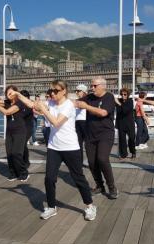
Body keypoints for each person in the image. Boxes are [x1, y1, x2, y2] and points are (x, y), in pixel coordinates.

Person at [11, 80, 97, 221]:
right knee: (49, 178)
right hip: (54, 147)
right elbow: (32, 105)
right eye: (50, 90)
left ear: (64, 91)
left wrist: (44, 109)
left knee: (78, 178)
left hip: (70, 147)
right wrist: (17, 94)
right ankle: (51, 207)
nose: (52, 93)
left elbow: (56, 122)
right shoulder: (50, 103)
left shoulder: (68, 105)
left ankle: (90, 206)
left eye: (55, 91)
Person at [75, 77, 119, 199]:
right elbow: (76, 102)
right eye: (92, 86)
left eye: (95, 86)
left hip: (105, 134)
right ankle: (99, 185)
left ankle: (112, 187)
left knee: (102, 159)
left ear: (103, 86)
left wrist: (87, 107)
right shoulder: (89, 97)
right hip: (90, 135)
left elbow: (103, 113)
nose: (92, 88)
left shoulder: (109, 97)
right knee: (91, 162)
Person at [0, 85, 30, 182]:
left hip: (20, 131)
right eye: (7, 93)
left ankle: (23, 173)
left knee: (16, 153)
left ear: (16, 93)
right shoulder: (7, 102)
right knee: (9, 153)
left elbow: (7, 112)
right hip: (9, 132)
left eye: (11, 93)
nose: (9, 95)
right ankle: (13, 173)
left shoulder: (20, 103)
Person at [115, 88, 136, 159]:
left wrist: (119, 103)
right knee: (122, 140)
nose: (123, 96)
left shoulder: (130, 101)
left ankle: (133, 152)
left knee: (132, 139)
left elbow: (125, 111)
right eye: (122, 94)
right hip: (121, 123)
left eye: (125, 94)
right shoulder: (119, 101)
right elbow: (118, 112)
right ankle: (124, 154)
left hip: (129, 124)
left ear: (128, 95)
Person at [20, 90, 34, 169]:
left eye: (23, 97)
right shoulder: (19, 105)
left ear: (27, 98)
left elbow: (23, 115)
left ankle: (26, 161)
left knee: (23, 143)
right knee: (23, 145)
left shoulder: (29, 105)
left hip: (28, 128)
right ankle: (24, 160)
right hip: (20, 128)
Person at [74, 84, 88, 154]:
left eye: (78, 91)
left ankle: (91, 162)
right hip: (77, 122)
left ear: (83, 91)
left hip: (85, 122)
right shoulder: (77, 100)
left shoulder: (87, 99)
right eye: (76, 91)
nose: (76, 92)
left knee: (88, 144)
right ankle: (79, 162)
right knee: (78, 143)